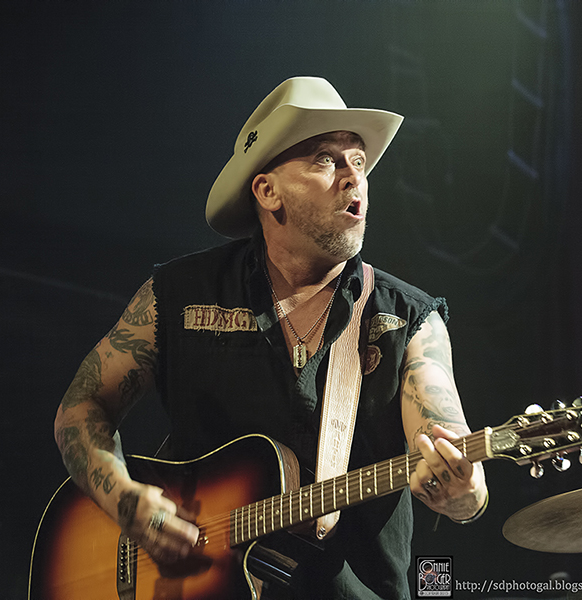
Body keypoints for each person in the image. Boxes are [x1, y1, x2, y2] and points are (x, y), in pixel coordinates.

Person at [53, 76, 488, 599]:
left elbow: (452, 452)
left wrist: (464, 493)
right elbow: (81, 406)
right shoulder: (180, 294)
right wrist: (125, 500)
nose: (354, 176)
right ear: (267, 191)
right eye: (326, 160)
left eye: (358, 160)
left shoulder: (407, 319)